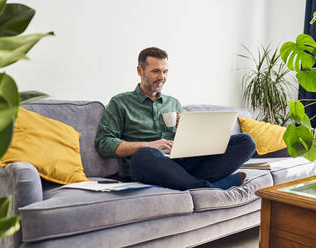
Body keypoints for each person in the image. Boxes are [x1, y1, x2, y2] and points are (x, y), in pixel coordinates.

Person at [95, 47, 256, 190]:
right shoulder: (120, 102)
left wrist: (187, 132)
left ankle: (190, 182)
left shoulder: (173, 103)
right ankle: (211, 185)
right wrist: (148, 145)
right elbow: (103, 143)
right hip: (147, 165)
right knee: (144, 154)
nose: (162, 77)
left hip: (181, 164)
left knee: (246, 142)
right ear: (140, 71)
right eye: (155, 71)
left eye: (165, 71)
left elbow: (185, 144)